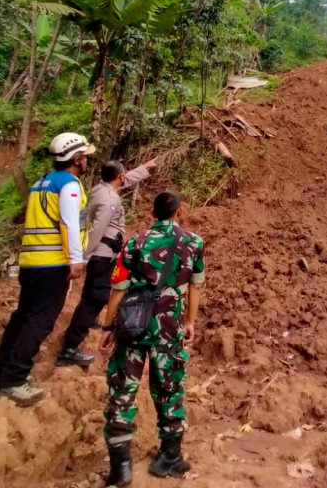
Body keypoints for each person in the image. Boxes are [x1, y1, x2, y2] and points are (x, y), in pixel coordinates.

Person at [99, 191, 204, 486]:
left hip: (133, 326)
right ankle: (169, 457)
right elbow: (196, 286)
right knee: (169, 388)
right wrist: (191, 322)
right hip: (169, 330)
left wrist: (108, 328)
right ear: (180, 212)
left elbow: (118, 288)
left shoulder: (136, 241)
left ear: (152, 214)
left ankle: (120, 468)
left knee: (122, 391)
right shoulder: (193, 243)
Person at [0, 132, 95, 406]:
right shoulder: (69, 185)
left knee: (22, 317)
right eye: (85, 158)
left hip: (31, 262)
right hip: (52, 263)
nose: (87, 162)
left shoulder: (41, 183)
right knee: (39, 321)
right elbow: (69, 223)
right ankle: (13, 380)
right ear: (77, 159)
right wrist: (75, 259)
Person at [56, 157, 158, 367]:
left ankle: (86, 322)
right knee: (96, 297)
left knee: (91, 293)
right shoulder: (109, 200)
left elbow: (124, 180)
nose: (125, 177)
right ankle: (70, 347)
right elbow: (97, 229)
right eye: (123, 174)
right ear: (118, 176)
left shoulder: (100, 189)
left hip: (102, 253)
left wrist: (144, 169)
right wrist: (83, 257)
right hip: (102, 253)